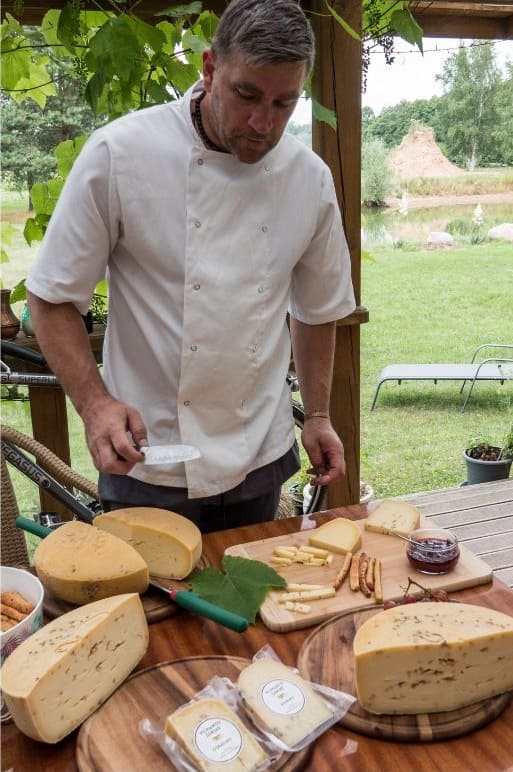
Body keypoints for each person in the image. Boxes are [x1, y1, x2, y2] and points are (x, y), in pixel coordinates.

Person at [26, 0, 356, 533]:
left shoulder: (308, 178)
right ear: (209, 68)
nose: (262, 122)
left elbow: (317, 309)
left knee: (249, 608)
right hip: (149, 455)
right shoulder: (121, 154)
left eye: (283, 103)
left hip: (259, 454)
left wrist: (316, 415)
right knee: (154, 613)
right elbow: (51, 296)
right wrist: (94, 406)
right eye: (247, 94)